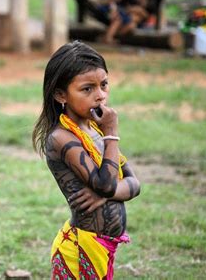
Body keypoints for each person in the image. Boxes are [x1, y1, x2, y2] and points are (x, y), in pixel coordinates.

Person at [32, 41, 140, 279]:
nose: (100, 95)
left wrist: (104, 193)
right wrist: (111, 134)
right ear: (61, 94)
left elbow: (134, 184)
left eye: (104, 85)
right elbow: (109, 184)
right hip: (80, 247)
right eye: (87, 89)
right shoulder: (62, 137)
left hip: (100, 245)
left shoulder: (94, 131)